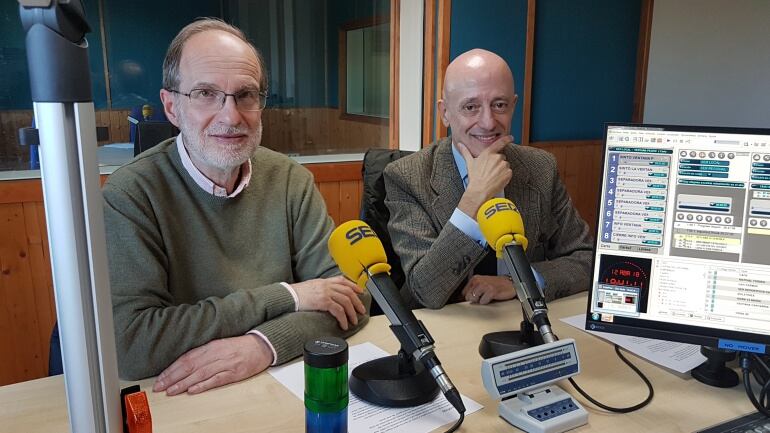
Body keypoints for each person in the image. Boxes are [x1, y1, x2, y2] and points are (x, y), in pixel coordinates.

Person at [103, 18, 370, 395]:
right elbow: (134, 344)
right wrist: (289, 296)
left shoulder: (289, 178)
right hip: (182, 399)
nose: (231, 116)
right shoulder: (131, 194)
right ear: (172, 107)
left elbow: (352, 296)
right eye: (205, 94)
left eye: (245, 95)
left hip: (278, 383)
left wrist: (262, 345)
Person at [384, 48, 593, 310]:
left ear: (513, 106)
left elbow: (586, 258)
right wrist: (474, 198)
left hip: (521, 322)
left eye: (499, 105)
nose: (488, 122)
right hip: (446, 332)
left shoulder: (540, 168)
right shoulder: (407, 177)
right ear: (445, 112)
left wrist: (519, 281)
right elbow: (425, 290)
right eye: (471, 107)